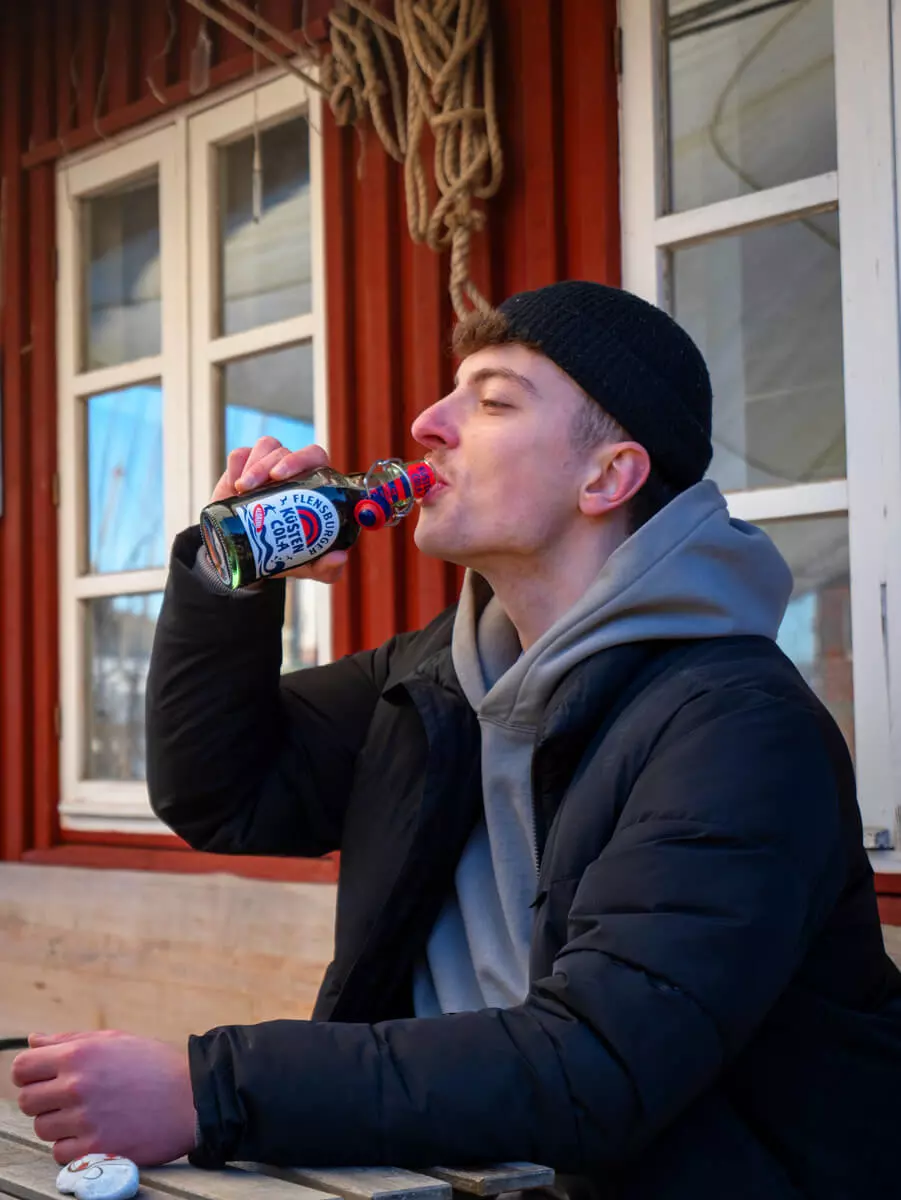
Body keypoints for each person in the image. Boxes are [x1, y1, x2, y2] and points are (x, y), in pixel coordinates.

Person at [11, 282, 901, 1199]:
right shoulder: (436, 675)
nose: (428, 423)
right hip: (443, 1179)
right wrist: (227, 576)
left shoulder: (738, 728)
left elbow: (596, 1064)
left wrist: (208, 1090)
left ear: (607, 478)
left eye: (491, 400)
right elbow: (222, 795)